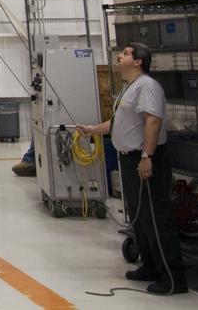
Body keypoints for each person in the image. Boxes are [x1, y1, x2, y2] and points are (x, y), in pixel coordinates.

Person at [78, 43, 187, 296]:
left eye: (126, 54)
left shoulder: (147, 86)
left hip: (146, 159)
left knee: (156, 218)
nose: (120, 56)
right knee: (140, 217)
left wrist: (147, 156)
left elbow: (153, 121)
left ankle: (173, 278)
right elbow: (117, 122)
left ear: (138, 62)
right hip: (129, 160)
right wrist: (93, 130)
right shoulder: (129, 88)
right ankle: (150, 266)